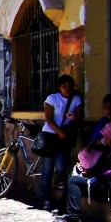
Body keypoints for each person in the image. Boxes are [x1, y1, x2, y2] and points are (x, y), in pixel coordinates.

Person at [54, 110, 111, 222]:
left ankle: (73, 216)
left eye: (108, 136)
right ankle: (65, 210)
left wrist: (93, 174)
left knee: (74, 181)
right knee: (74, 177)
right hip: (104, 183)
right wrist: (87, 171)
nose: (106, 139)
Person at [39, 74, 83, 212]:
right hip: (51, 136)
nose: (67, 89)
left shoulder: (76, 99)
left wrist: (74, 118)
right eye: (64, 86)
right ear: (59, 87)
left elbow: (80, 120)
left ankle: (61, 198)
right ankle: (46, 200)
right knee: (47, 169)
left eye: (69, 86)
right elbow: (48, 118)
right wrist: (59, 132)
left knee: (61, 167)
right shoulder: (52, 99)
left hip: (64, 139)